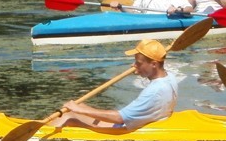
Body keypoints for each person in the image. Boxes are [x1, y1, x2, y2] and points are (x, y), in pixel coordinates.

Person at [49, 39, 178, 132]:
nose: (133, 66)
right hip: (147, 119)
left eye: (138, 63)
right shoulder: (169, 77)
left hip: (124, 129)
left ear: (154, 64)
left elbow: (119, 118)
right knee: (77, 107)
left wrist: (80, 110)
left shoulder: (154, 91)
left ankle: (39, 137)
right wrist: (141, 69)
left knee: (69, 115)